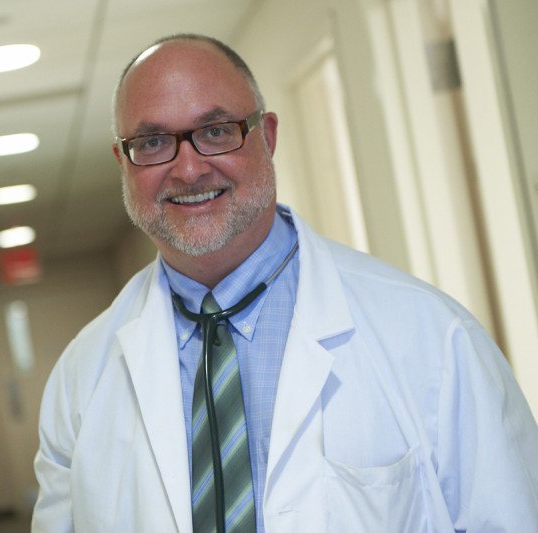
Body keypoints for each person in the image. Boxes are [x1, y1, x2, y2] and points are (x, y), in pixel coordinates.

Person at [31, 34, 538, 532]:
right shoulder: (81, 377)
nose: (188, 169)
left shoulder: (434, 336)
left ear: (267, 137)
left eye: (216, 131)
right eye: (153, 142)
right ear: (123, 163)